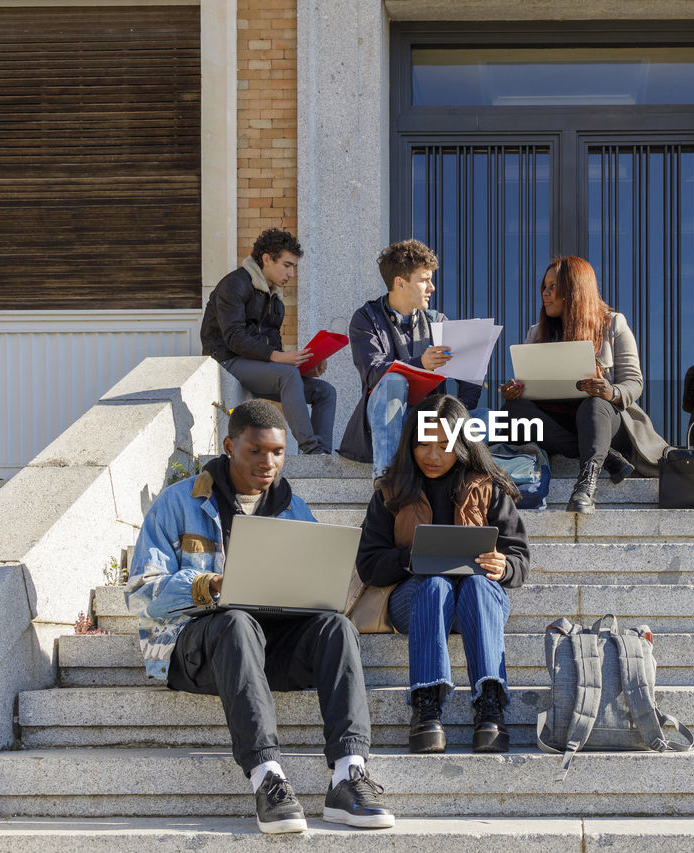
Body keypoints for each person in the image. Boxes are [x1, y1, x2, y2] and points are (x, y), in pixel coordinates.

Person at [124, 400, 393, 834]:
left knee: (337, 627)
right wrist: (209, 585)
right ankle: (267, 776)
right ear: (230, 446)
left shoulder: (295, 509)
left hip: (269, 649)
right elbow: (141, 595)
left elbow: (320, 591)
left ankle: (348, 774)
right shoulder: (179, 502)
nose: (269, 463)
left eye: (278, 452)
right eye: (256, 451)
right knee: (235, 622)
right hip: (197, 650)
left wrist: (325, 594)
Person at [355, 394, 529, 755]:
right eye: (423, 444)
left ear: (462, 443)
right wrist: (412, 558)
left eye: (444, 445)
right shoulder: (391, 491)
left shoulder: (488, 486)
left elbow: (519, 557)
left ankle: (490, 706)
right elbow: (369, 563)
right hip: (415, 602)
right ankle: (426, 707)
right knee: (433, 584)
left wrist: (504, 565)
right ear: (410, 443)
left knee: (480, 586)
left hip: (477, 602)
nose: (432, 456)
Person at [501, 256, 668, 514]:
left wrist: (610, 391)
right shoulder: (537, 333)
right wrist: (516, 391)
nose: (545, 293)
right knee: (514, 409)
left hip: (604, 421)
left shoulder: (613, 324)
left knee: (594, 404)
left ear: (575, 288)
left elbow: (634, 383)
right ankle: (608, 457)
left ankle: (585, 487)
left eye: (553, 286)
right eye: (544, 286)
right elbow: (529, 384)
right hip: (558, 424)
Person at [339, 239, 482, 474]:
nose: (432, 287)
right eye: (425, 280)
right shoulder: (366, 318)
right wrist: (421, 364)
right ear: (400, 283)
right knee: (393, 381)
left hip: (430, 422)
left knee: (484, 417)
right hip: (388, 418)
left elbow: (468, 376)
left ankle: (466, 480)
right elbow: (373, 372)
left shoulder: (438, 321)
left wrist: (458, 413)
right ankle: (387, 476)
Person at [201, 228, 335, 454]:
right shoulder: (235, 284)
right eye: (287, 265)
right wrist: (281, 359)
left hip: (256, 366)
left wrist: (304, 369)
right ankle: (311, 450)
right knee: (288, 374)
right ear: (266, 259)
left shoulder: (275, 299)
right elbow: (234, 338)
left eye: (293, 267)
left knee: (325, 391)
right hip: (227, 361)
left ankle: (322, 454)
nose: (291, 274)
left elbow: (274, 350)